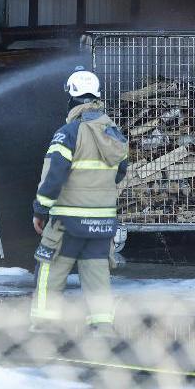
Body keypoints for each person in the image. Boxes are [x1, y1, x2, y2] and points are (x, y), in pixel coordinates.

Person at [30, 68, 128, 334]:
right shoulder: (114, 134)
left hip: (67, 220)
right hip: (102, 221)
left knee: (50, 268)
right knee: (97, 273)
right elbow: (120, 171)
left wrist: (40, 209)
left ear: (72, 98)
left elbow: (54, 176)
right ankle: (102, 325)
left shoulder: (68, 133)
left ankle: (45, 323)